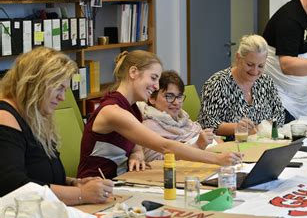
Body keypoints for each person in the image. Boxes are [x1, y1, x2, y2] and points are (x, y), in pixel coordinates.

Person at [78, 50, 240, 179]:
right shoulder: (113, 111)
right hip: (96, 185)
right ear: (133, 72)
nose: (156, 87)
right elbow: (165, 146)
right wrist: (217, 160)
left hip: (122, 180)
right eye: (153, 78)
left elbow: (135, 143)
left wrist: (137, 154)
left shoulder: (132, 108)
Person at [0, 47, 113, 205]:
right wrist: (80, 194)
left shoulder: (34, 116)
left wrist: (74, 183)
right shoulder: (5, 118)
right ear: (36, 83)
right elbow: (14, 186)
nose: (62, 97)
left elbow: (39, 174)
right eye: (59, 88)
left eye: (64, 90)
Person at [198, 34, 285, 138]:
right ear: (238, 57)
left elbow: (279, 115)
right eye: (250, 64)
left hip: (263, 142)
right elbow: (208, 124)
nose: (255, 71)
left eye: (261, 66)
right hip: (230, 146)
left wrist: (262, 128)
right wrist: (237, 128)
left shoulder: (266, 81)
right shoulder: (217, 83)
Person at [137, 70, 219, 161]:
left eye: (179, 96)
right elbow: (155, 163)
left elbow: (208, 138)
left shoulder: (184, 119)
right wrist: (197, 145)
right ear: (152, 98)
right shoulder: (149, 126)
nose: (176, 103)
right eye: (169, 96)